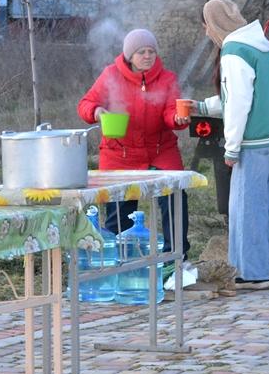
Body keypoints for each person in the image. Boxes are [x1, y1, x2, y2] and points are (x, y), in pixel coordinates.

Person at [197, 0, 269, 290]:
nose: (206, 30)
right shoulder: (257, 46)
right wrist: (201, 105)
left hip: (253, 140)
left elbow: (238, 104)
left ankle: (251, 274)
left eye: (207, 23)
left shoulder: (234, 52)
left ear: (216, 24)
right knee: (267, 208)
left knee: (246, 209)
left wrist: (231, 147)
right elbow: (243, 95)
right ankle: (265, 269)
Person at [78, 28, 191, 259]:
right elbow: (85, 104)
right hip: (120, 153)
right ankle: (118, 258)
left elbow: (171, 110)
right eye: (142, 52)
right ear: (130, 55)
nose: (148, 56)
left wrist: (177, 119)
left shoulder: (167, 78)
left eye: (151, 51)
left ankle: (176, 256)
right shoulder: (111, 75)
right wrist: (97, 111)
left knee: (175, 197)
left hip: (160, 151)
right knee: (119, 209)